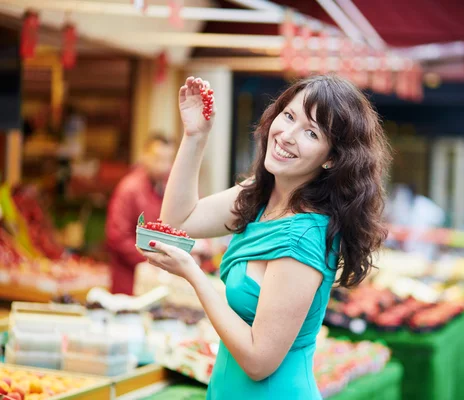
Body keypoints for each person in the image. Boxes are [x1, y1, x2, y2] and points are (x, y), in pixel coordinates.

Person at [138, 74, 391, 399]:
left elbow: (259, 361)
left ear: (331, 158)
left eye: (310, 133)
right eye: (288, 116)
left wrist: (194, 275)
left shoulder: (302, 237)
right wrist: (195, 136)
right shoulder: (261, 196)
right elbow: (178, 221)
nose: (287, 135)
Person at [106, 134, 182, 295]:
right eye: (158, 158)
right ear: (144, 156)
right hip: (129, 282)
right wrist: (151, 259)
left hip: (155, 281)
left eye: (168, 160)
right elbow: (117, 236)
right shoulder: (129, 189)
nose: (163, 165)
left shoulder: (168, 186)